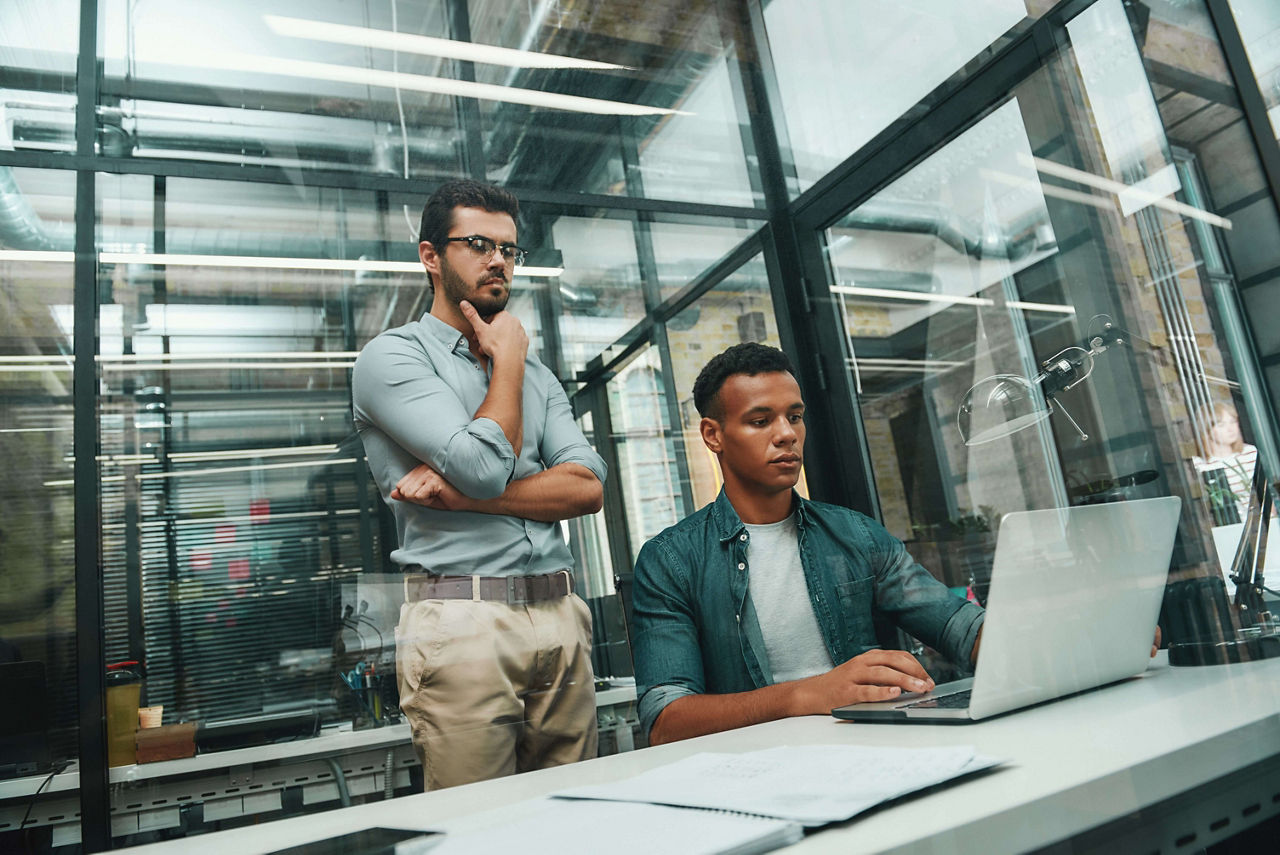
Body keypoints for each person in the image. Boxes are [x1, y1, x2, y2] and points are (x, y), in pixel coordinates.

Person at [352, 179, 607, 789]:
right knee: (479, 828)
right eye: (477, 244)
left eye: (510, 249)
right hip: (462, 618)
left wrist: (462, 496)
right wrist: (510, 361)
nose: (499, 260)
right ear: (431, 256)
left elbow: (588, 488)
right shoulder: (392, 359)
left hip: (560, 611)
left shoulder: (539, 375)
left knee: (576, 817)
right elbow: (485, 465)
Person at [631, 343, 985, 745]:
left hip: (874, 751)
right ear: (714, 435)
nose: (786, 434)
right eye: (761, 420)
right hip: (755, 770)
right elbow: (664, 720)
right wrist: (806, 694)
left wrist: (1027, 638)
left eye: (795, 417)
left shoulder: (857, 534)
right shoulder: (670, 561)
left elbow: (962, 628)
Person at [1192, 401, 1261, 524]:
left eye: (1233, 422)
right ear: (1206, 430)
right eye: (1221, 425)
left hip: (1259, 524)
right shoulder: (1198, 465)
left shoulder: (1250, 453)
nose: (1230, 429)